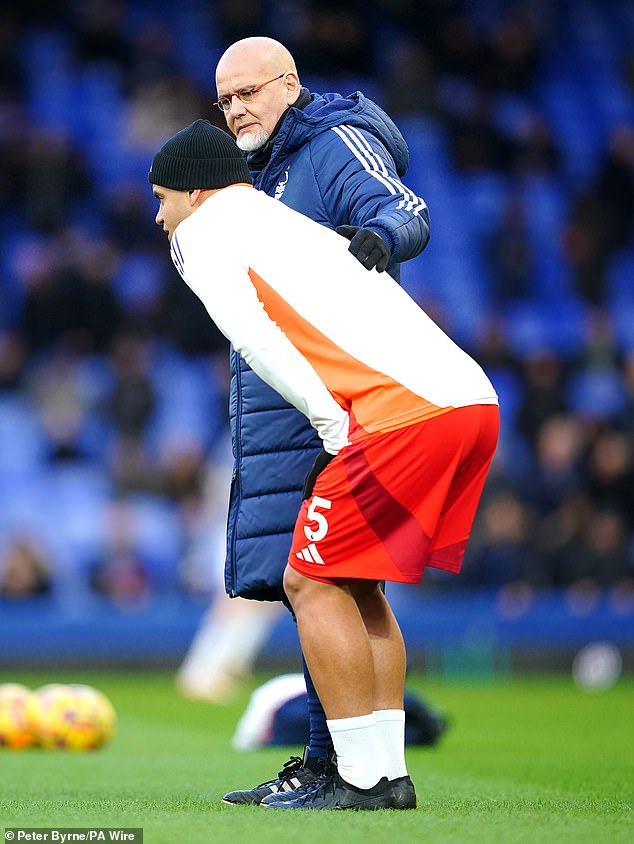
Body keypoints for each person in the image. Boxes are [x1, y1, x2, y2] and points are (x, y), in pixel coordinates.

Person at [148, 119, 499, 810]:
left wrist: (332, 425)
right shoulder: (285, 223)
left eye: (162, 197)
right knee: (358, 585)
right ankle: (388, 775)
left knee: (309, 583)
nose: (159, 215)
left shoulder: (201, 233)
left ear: (195, 192)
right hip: (470, 401)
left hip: (400, 414)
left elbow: (261, 341)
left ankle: (359, 780)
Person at [199, 35, 432, 803]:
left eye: (249, 92)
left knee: (322, 583)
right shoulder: (259, 177)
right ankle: (368, 770)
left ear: (289, 84)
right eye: (224, 99)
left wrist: (373, 243)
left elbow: (401, 209)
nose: (236, 109)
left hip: (347, 407)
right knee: (348, 589)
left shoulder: (333, 143)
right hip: (303, 411)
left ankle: (346, 770)